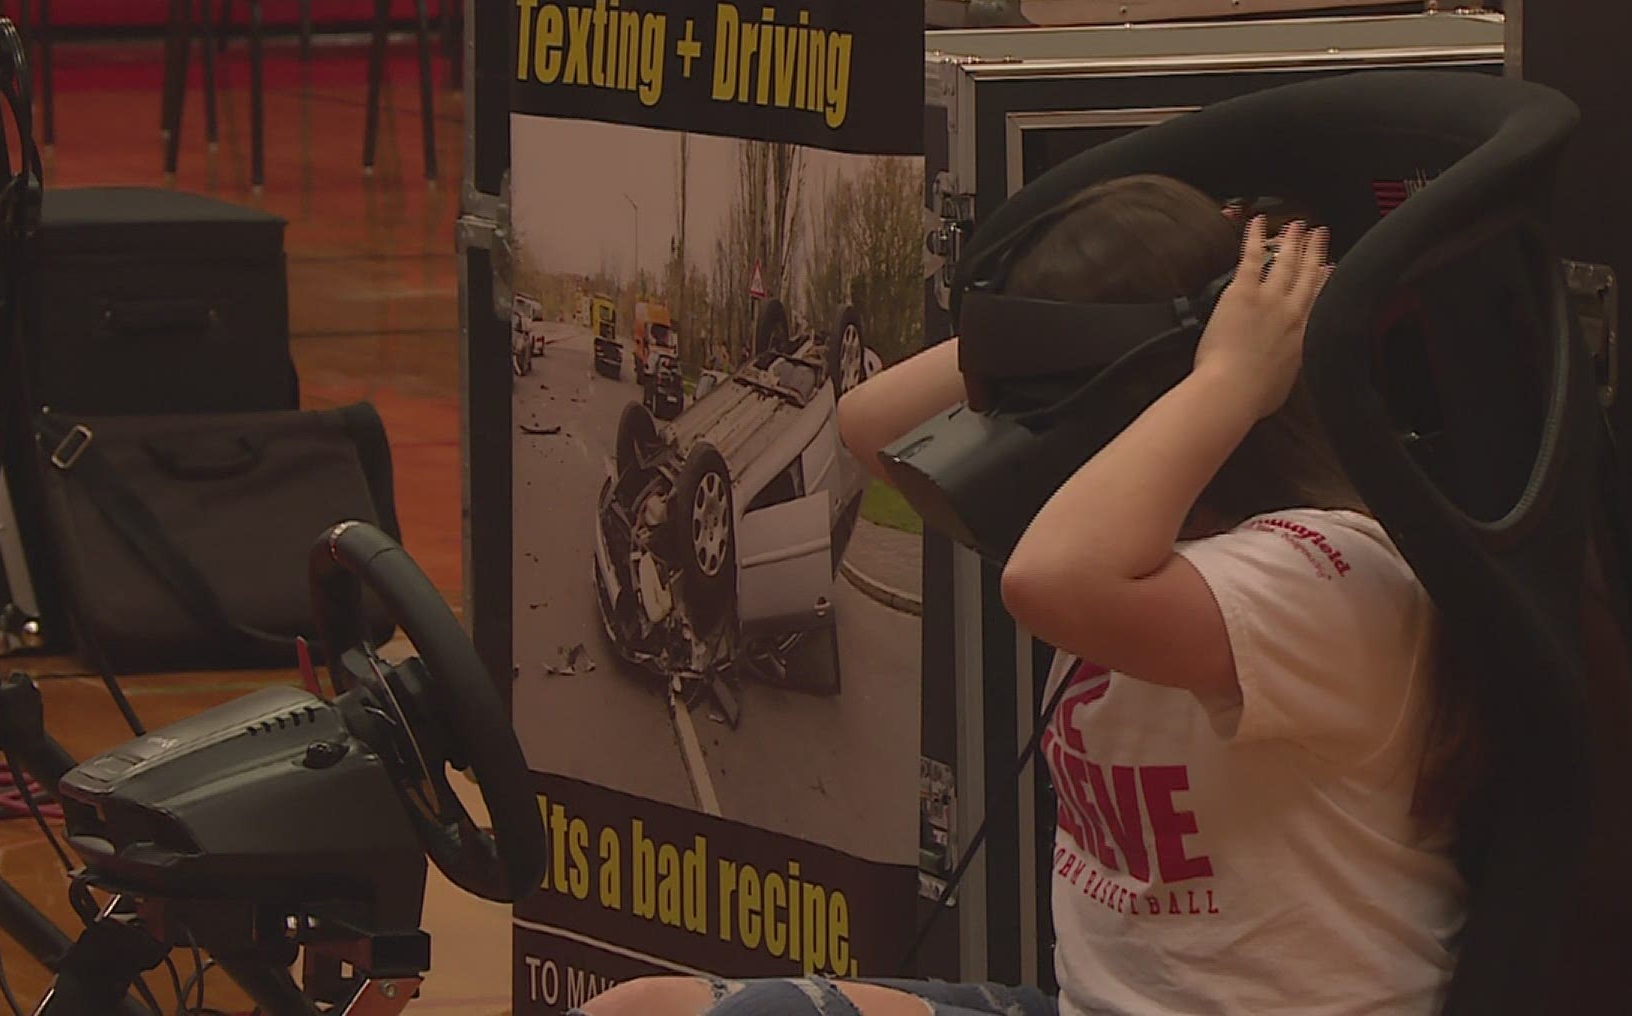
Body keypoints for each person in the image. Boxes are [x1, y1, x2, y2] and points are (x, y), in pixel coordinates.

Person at [574, 175, 1477, 1015]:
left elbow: (1047, 582)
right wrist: (1070, 325)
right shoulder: (1131, 537)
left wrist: (1226, 372)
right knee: (642, 1011)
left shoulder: (1330, 578)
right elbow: (868, 426)